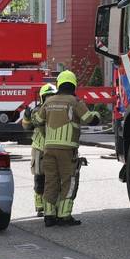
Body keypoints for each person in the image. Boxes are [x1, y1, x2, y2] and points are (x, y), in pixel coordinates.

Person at [33, 70, 99, 227]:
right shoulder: (75, 102)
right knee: (68, 182)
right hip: (67, 150)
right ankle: (64, 215)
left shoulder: (48, 102)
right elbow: (88, 119)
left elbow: (37, 120)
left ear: (59, 84)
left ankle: (49, 215)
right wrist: (96, 115)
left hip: (48, 149)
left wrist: (45, 133)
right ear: (73, 85)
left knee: (50, 182)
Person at [22, 83, 56, 216]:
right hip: (39, 148)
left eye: (52, 96)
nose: (49, 99)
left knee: (53, 178)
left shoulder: (58, 110)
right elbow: (27, 127)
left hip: (53, 148)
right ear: (42, 98)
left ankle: (52, 205)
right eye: (47, 96)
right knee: (39, 177)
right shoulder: (37, 110)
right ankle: (40, 204)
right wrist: (26, 117)